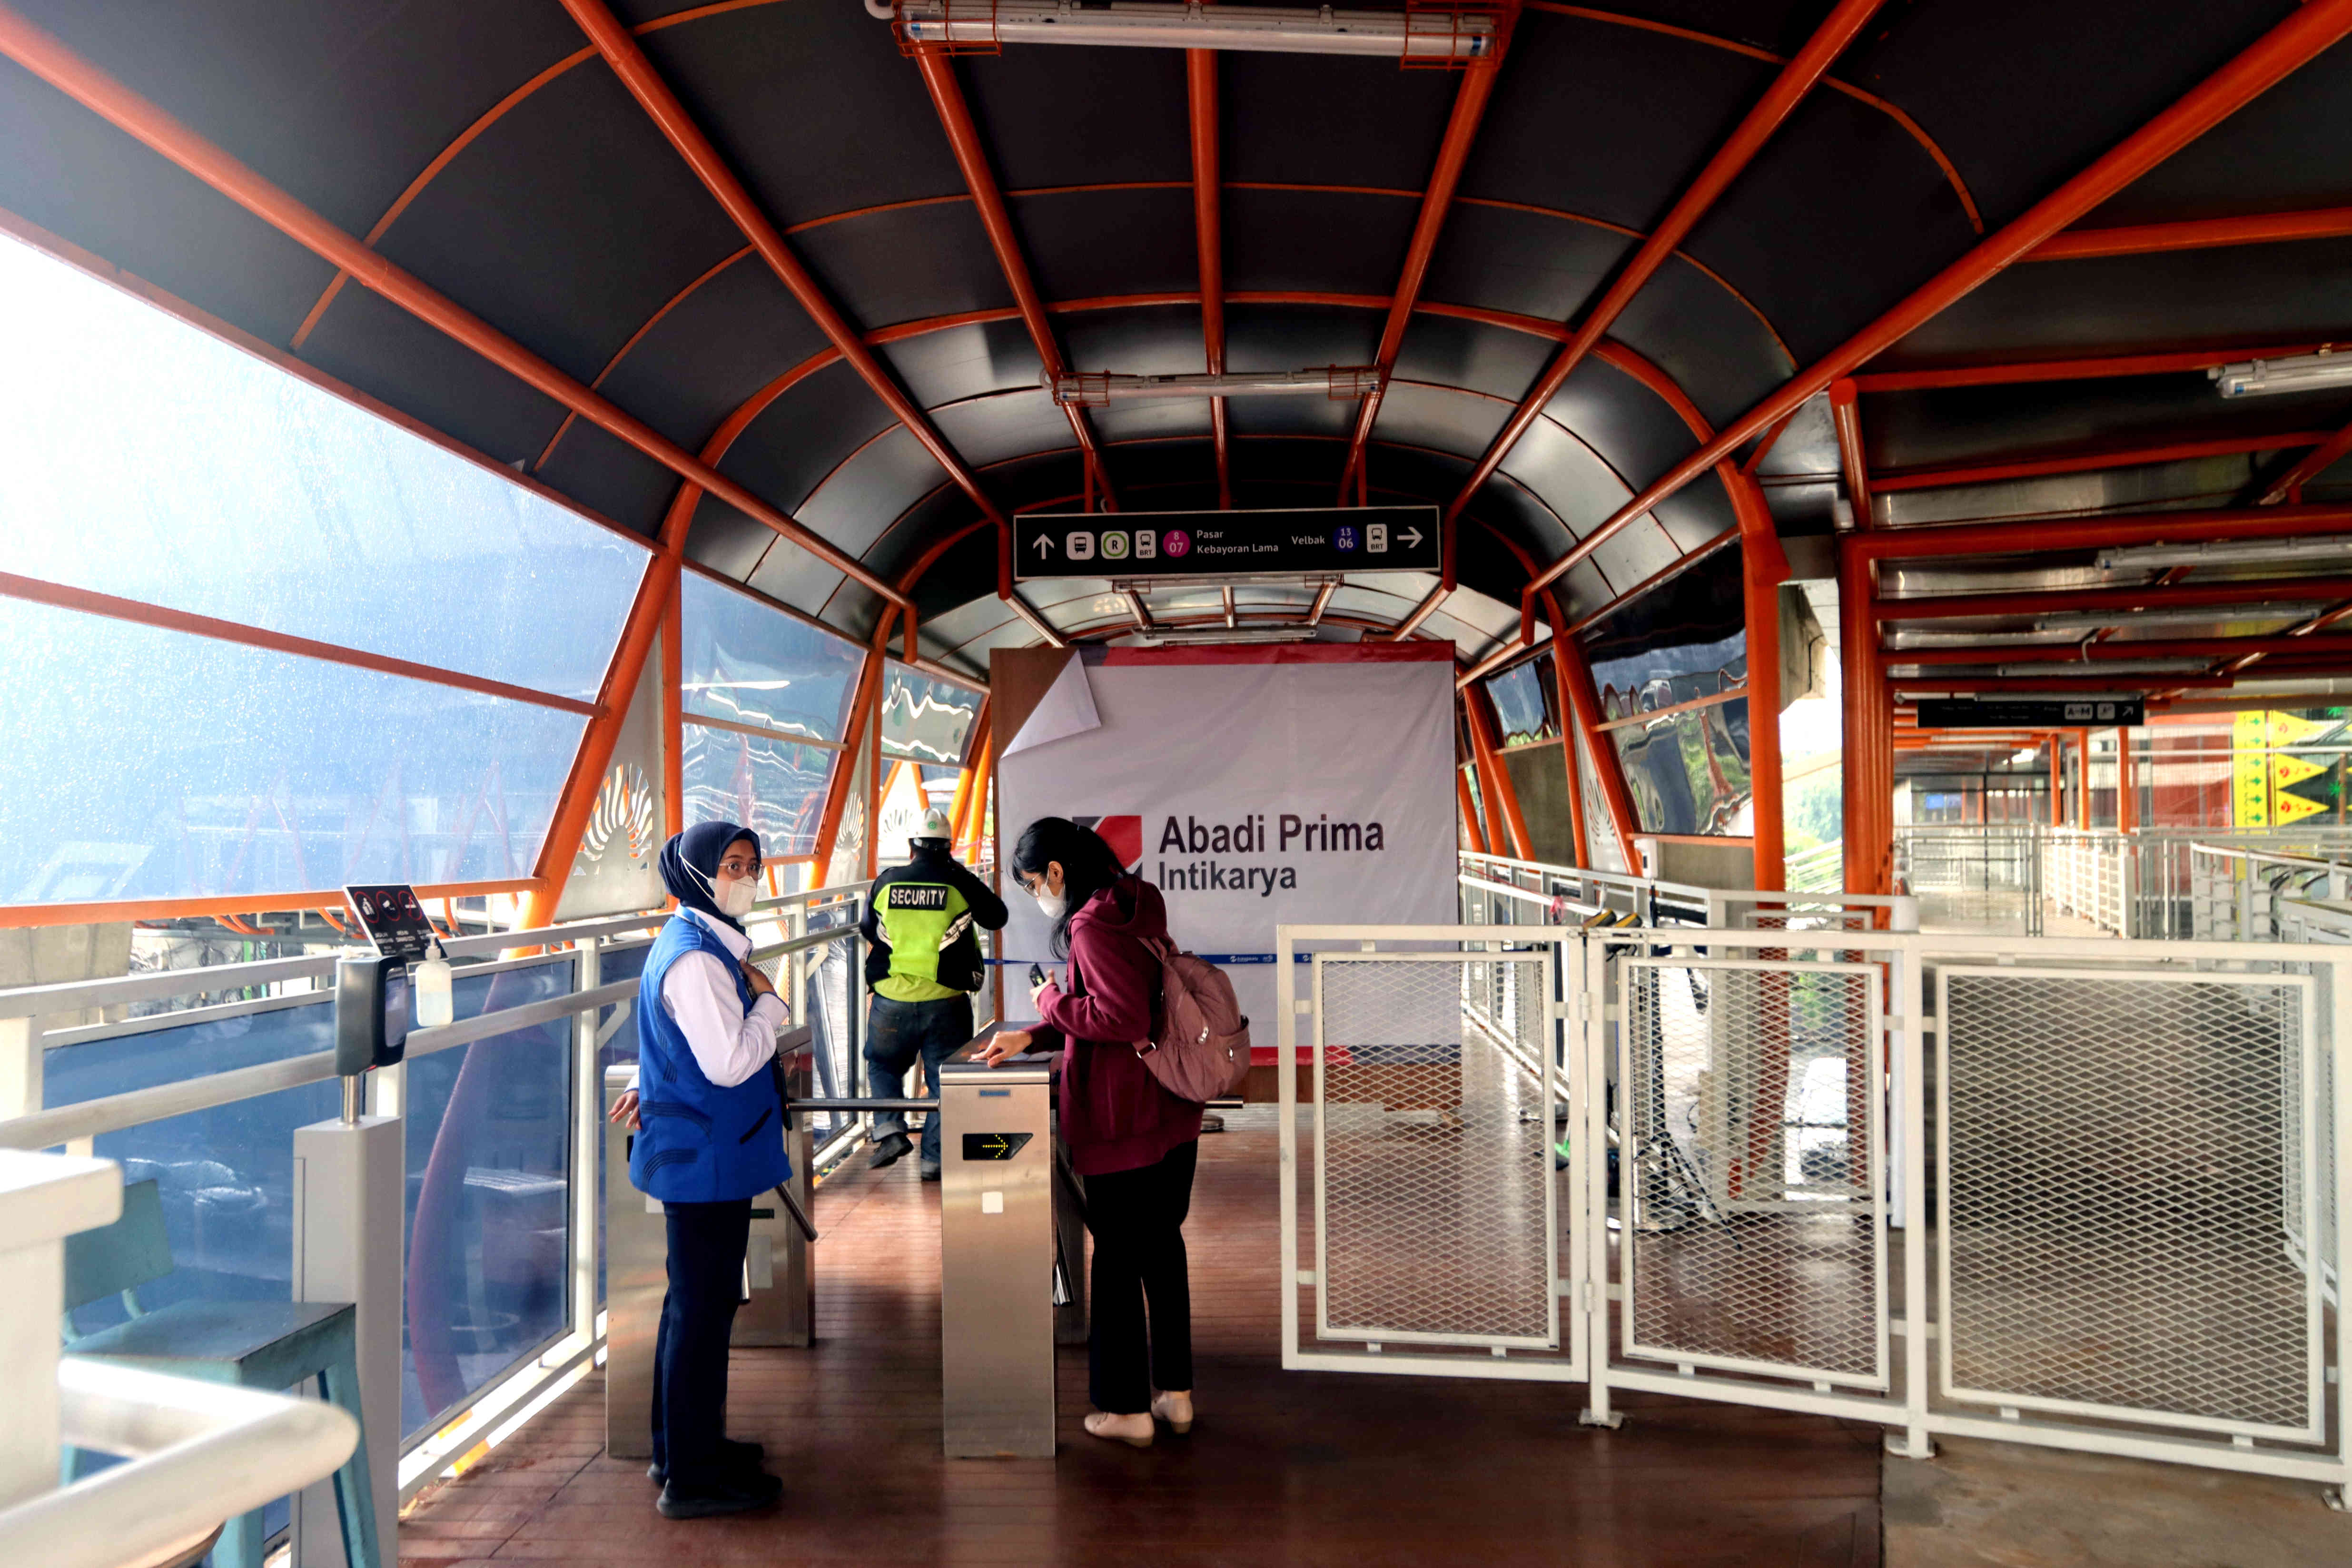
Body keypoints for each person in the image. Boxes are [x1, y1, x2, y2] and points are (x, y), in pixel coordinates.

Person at [982, 817, 1200, 1448]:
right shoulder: (1135, 906)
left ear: (1056, 870)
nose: (1036, 895)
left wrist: (1048, 1002)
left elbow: (1117, 1014)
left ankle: (1126, 1406)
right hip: (1168, 1108)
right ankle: (1174, 1394)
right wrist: (1036, 1031)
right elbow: (1121, 1003)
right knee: (1161, 1248)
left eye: (1031, 882)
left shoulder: (1091, 923)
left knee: (1117, 1261)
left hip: (1120, 1119)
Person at [607, 821, 789, 1520]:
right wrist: (770, 1003)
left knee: (692, 1307)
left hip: (704, 1150)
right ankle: (692, 1475)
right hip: (709, 1158)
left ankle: (683, 1446)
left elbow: (679, 1044)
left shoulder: (698, 942)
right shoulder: (699, 960)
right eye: (731, 865)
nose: (745, 875)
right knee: (701, 1315)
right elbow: (727, 1060)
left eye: (751, 863)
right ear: (696, 874)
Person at [859, 806, 1008, 1180]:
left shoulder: (887, 882)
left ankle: (891, 1129)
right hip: (947, 1003)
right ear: (949, 845)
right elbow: (997, 916)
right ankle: (934, 1159)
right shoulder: (959, 881)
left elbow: (867, 928)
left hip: (891, 1000)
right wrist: (957, 874)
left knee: (883, 1064)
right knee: (946, 1079)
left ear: (912, 844)